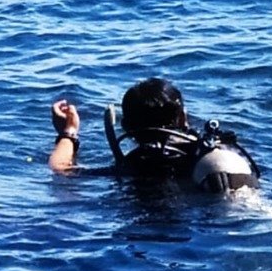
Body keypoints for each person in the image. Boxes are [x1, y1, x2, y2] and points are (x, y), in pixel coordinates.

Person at [48, 76, 259, 193]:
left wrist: (69, 131)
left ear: (126, 127)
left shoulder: (134, 165)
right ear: (183, 118)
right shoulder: (206, 153)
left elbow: (61, 170)